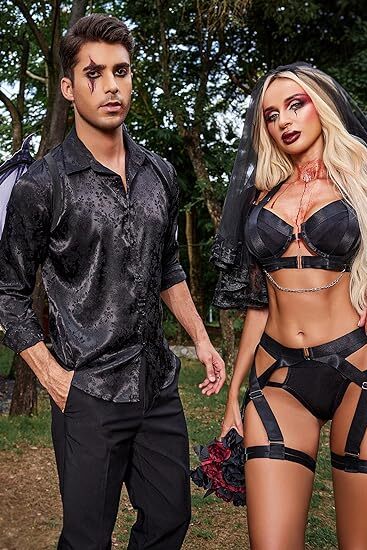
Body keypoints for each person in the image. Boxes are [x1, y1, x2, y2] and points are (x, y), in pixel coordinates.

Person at [0, 14, 225, 550]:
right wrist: (54, 378)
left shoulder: (159, 172)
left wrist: (201, 338)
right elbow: (7, 292)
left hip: (157, 384)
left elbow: (167, 266)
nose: (111, 86)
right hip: (88, 392)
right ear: (68, 87)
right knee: (86, 539)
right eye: (94, 73)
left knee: (170, 520)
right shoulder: (43, 183)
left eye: (120, 71)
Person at [211, 63, 367, 549]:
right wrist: (234, 395)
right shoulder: (262, 198)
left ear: (321, 107)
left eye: (295, 105)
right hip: (279, 378)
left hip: (364, 371)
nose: (283, 121)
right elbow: (259, 304)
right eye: (271, 115)